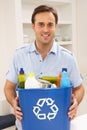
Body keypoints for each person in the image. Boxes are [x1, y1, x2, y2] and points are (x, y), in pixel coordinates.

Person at [4, 5, 84, 130]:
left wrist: (76, 102)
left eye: (50, 24)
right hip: (26, 126)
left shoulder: (68, 58)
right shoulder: (19, 55)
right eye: (41, 24)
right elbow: (8, 88)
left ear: (55, 27)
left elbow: (79, 88)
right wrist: (14, 102)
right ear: (33, 26)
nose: (45, 29)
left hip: (57, 125)